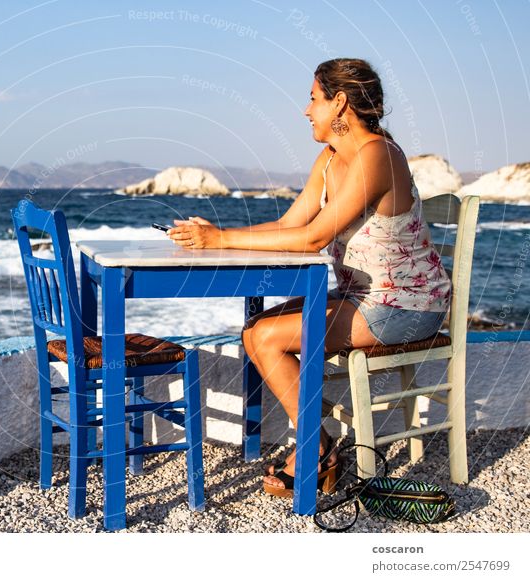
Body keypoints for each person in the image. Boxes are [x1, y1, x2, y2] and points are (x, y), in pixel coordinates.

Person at [166, 58, 451, 497]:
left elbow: (314, 237)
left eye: (313, 99)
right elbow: (290, 224)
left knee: (266, 338)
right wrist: (213, 238)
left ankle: (317, 452)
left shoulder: (377, 154)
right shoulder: (330, 157)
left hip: (407, 306)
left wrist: (220, 238)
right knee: (256, 330)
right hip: (364, 297)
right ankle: (320, 446)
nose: (306, 110)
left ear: (339, 104)